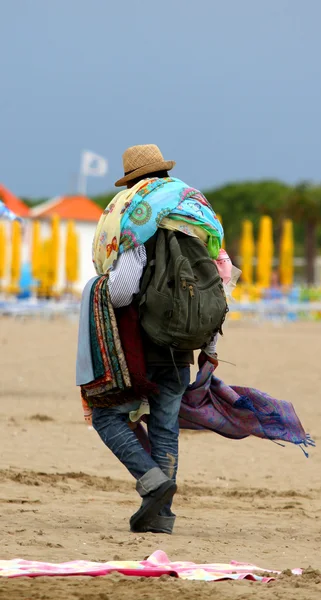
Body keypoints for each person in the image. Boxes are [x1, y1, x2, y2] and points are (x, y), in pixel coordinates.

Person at [84, 144, 224, 535]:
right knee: (165, 427)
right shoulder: (199, 218)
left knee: (107, 416)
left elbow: (122, 292)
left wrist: (101, 287)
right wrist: (207, 349)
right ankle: (161, 517)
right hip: (183, 349)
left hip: (144, 348)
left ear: (135, 185)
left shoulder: (139, 222)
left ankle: (152, 482)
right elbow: (217, 288)